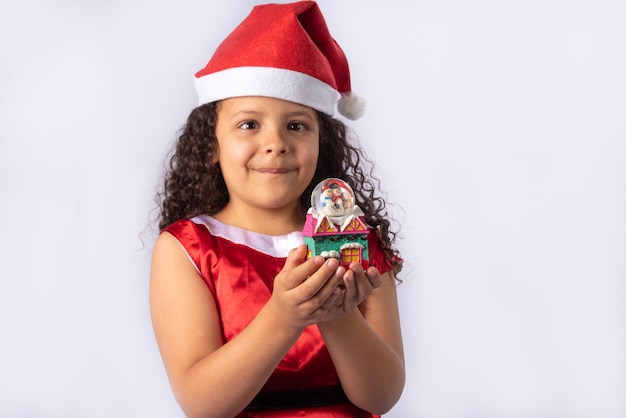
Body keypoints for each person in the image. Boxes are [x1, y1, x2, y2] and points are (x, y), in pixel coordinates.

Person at [150, 2, 405, 417]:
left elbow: (382, 397)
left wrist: (338, 316)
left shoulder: (359, 243)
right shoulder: (187, 249)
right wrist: (285, 317)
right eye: (249, 124)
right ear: (211, 144)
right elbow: (201, 404)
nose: (276, 143)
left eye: (297, 125)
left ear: (322, 142)